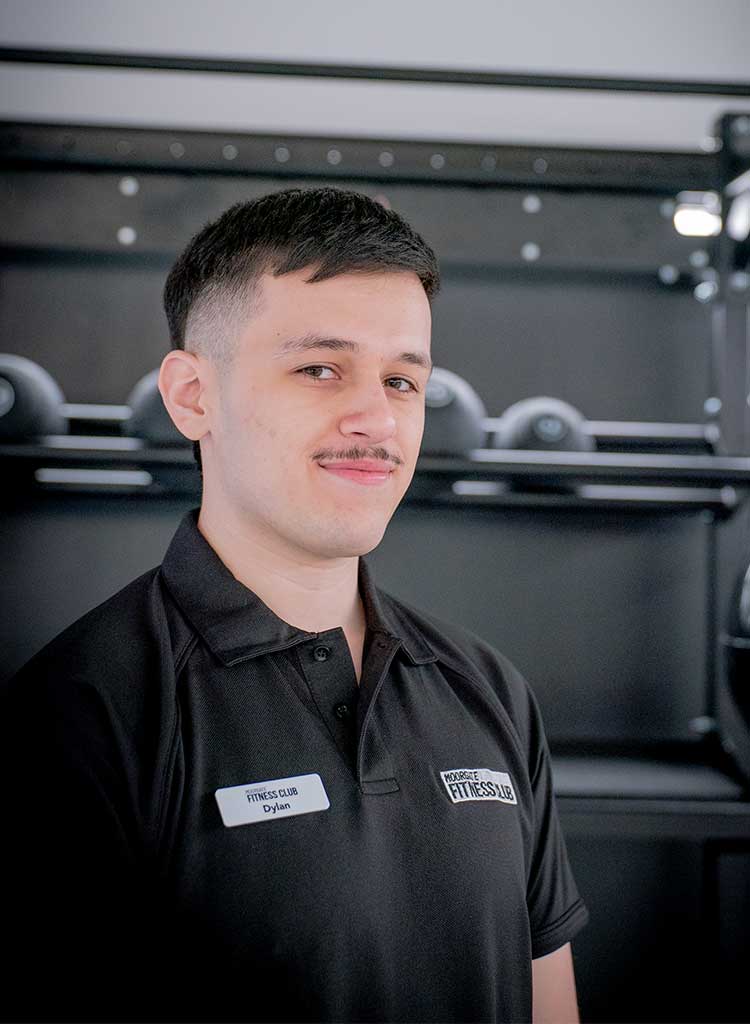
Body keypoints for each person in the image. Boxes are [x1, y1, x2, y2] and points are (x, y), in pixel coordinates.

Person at [2, 186, 588, 1023]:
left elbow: (549, 1004)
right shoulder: (79, 718)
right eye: (320, 368)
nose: (376, 419)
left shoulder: (488, 689)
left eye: (402, 379)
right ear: (192, 396)